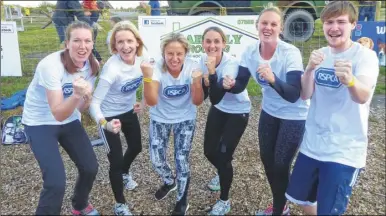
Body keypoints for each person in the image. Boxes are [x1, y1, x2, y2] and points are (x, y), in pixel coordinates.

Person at [285, 1, 379, 215]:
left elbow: (363, 96)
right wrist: (308, 70)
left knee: (330, 210)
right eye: (329, 22)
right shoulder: (320, 53)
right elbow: (305, 94)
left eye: (341, 22)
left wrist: (350, 81)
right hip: (313, 144)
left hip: (344, 150)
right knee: (301, 198)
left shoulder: (365, 57)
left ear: (353, 25)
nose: (334, 27)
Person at [222, 3, 310, 215]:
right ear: (257, 25)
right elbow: (241, 84)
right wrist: (230, 85)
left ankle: (279, 208)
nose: (268, 28)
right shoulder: (250, 52)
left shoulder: (290, 52)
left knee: (281, 164)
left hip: (294, 114)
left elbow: (292, 94)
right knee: (267, 160)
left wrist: (272, 79)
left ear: (281, 29)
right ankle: (281, 200)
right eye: (264, 23)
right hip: (269, 111)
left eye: (273, 24)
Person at [21, 21, 100, 216]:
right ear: (66, 43)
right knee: (55, 182)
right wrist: (75, 95)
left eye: (87, 41)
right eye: (77, 41)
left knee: (90, 167)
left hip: (69, 119)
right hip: (39, 122)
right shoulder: (51, 66)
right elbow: (57, 112)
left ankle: (79, 204)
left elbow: (79, 108)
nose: (83, 46)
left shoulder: (92, 65)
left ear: (92, 43)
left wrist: (86, 99)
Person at [141, 32, 204, 215]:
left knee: (181, 160)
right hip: (160, 118)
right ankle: (170, 181)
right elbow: (151, 101)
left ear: (186, 54)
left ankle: (182, 200)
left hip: (185, 118)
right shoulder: (156, 68)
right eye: (170, 53)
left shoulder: (193, 66)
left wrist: (197, 81)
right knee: (156, 160)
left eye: (179, 54)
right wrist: (146, 77)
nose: (174, 58)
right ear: (163, 53)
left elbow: (197, 101)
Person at [89, 21, 145, 215]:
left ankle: (124, 173)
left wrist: (143, 101)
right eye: (120, 42)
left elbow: (151, 79)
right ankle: (120, 204)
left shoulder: (142, 60)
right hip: (108, 115)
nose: (125, 46)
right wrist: (105, 124)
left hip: (128, 111)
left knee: (136, 147)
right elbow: (93, 104)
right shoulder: (111, 70)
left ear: (137, 42)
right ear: (114, 45)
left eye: (129, 40)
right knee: (116, 159)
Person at [198, 26, 251, 215]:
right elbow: (204, 96)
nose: (212, 45)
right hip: (219, 109)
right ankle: (222, 171)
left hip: (238, 111)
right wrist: (203, 82)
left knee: (224, 156)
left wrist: (211, 73)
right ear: (203, 43)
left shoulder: (231, 64)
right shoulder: (200, 61)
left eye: (216, 41)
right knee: (208, 151)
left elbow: (215, 97)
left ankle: (224, 199)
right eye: (208, 41)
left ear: (224, 44)